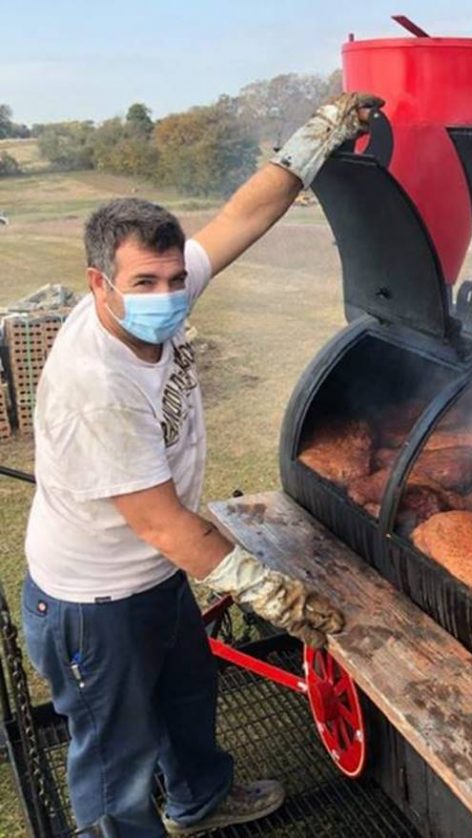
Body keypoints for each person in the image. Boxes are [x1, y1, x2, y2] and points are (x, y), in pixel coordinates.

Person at [21, 91, 382, 837]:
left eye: (172, 279)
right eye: (143, 285)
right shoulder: (97, 385)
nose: (165, 296)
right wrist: (270, 594)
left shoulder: (167, 285)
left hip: (153, 577)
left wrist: (313, 142)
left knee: (187, 695)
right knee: (115, 757)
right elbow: (161, 523)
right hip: (93, 603)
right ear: (99, 284)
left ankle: (197, 801)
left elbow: (241, 216)